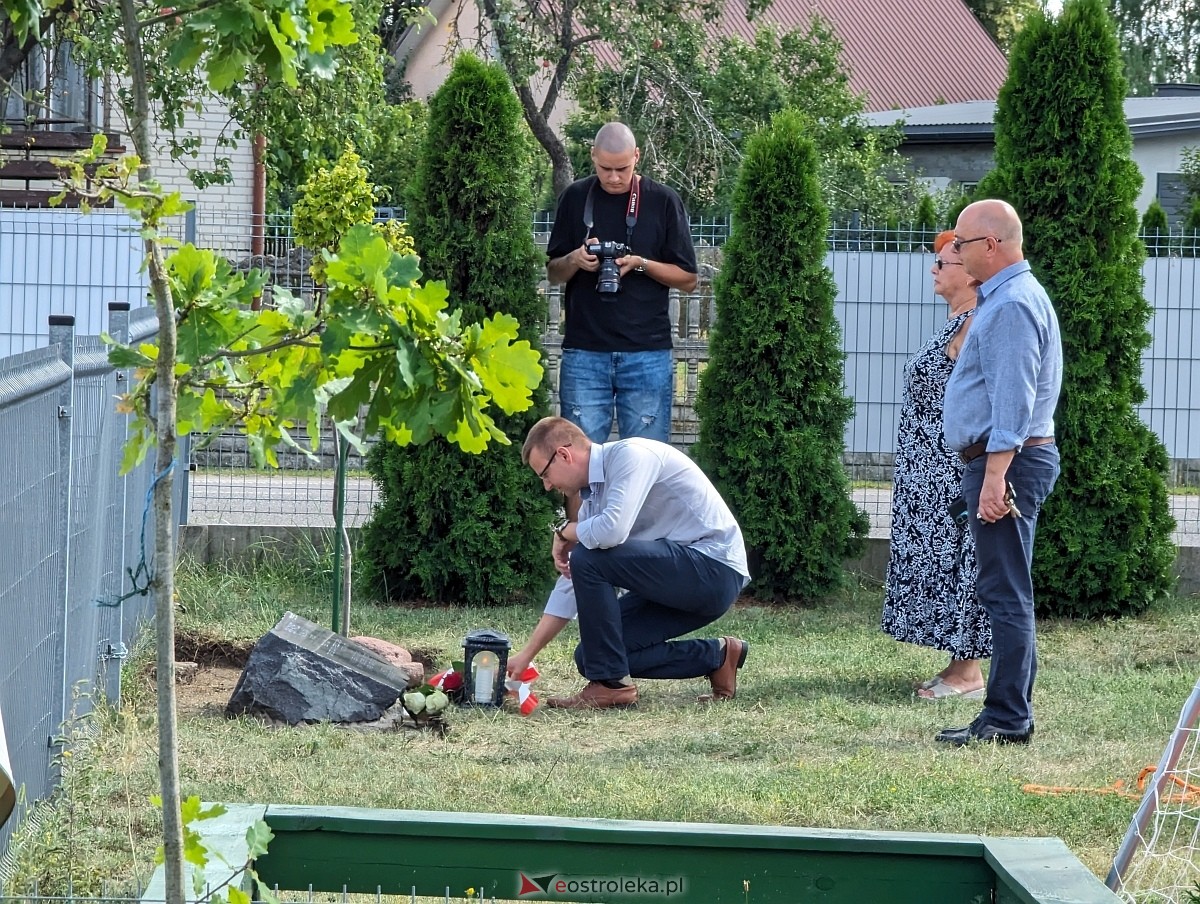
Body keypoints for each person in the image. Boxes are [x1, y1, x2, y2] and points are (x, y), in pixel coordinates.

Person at [507, 416, 750, 709]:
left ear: (563, 454)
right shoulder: (593, 498)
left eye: (544, 474)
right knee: (594, 655)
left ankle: (611, 686)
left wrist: (566, 531)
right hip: (679, 581)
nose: (547, 486)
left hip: (713, 570)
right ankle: (719, 656)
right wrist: (526, 655)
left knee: (588, 557)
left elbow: (611, 530)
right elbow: (572, 579)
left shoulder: (632, 455)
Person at [936, 199, 1062, 747]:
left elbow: (1015, 399)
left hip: (1005, 461)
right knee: (1007, 588)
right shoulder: (1006, 298)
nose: (955, 255)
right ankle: (1011, 715)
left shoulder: (1011, 304)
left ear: (991, 244)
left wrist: (994, 476)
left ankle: (1007, 719)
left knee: (1005, 593)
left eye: (961, 245)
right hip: (1003, 459)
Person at [882, 231, 990, 700]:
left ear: (969, 272)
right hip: (927, 471)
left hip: (949, 472)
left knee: (961, 562)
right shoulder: (957, 322)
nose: (935, 269)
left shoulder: (975, 324)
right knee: (940, 564)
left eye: (945, 263)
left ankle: (967, 673)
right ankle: (956, 666)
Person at [546, 122, 699, 445]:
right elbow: (554, 272)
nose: (614, 178)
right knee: (579, 465)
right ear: (592, 157)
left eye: (622, 168)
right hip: (584, 352)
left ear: (637, 157)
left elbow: (688, 279)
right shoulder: (574, 198)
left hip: (647, 353)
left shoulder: (663, 201)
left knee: (646, 462)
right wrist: (575, 259)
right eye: (605, 169)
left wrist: (641, 263)